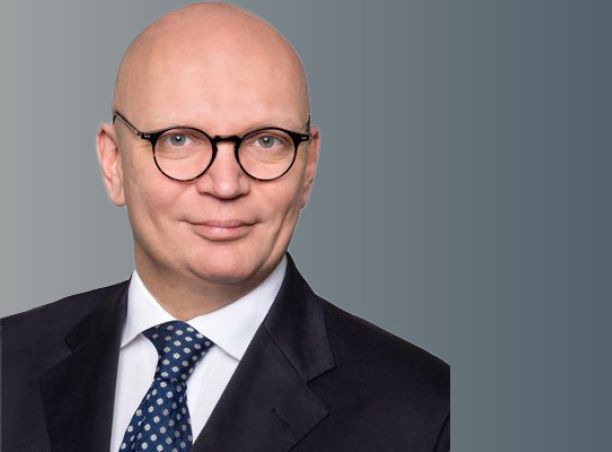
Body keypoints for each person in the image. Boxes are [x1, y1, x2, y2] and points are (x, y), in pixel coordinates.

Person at [0, 2, 450, 451]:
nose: (226, 183)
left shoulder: (429, 414)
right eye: (179, 139)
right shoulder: (9, 360)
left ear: (308, 166)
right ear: (113, 162)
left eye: (266, 141)